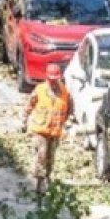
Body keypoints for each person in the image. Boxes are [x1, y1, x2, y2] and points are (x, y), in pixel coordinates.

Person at [22, 62, 71, 193]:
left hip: (55, 132)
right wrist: (24, 121)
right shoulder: (40, 90)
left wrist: (63, 123)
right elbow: (29, 105)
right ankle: (39, 181)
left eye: (56, 79)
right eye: (51, 79)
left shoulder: (64, 92)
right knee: (41, 155)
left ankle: (48, 177)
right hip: (41, 130)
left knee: (50, 157)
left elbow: (69, 109)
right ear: (47, 78)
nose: (54, 82)